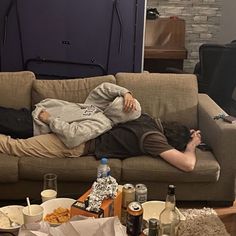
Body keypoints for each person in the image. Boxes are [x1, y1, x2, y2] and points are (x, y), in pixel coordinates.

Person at [0, 113, 201, 172]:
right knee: (15, 146)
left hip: (79, 124)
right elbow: (187, 164)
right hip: (77, 142)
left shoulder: (147, 118)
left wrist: (188, 134)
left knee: (19, 128)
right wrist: (190, 146)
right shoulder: (153, 138)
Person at [0, 82, 141, 148]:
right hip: (33, 114)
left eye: (121, 103)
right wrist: (125, 93)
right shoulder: (101, 107)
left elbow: (73, 136)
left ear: (120, 112)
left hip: (34, 124)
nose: (114, 101)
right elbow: (103, 89)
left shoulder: (102, 123)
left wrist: (50, 120)